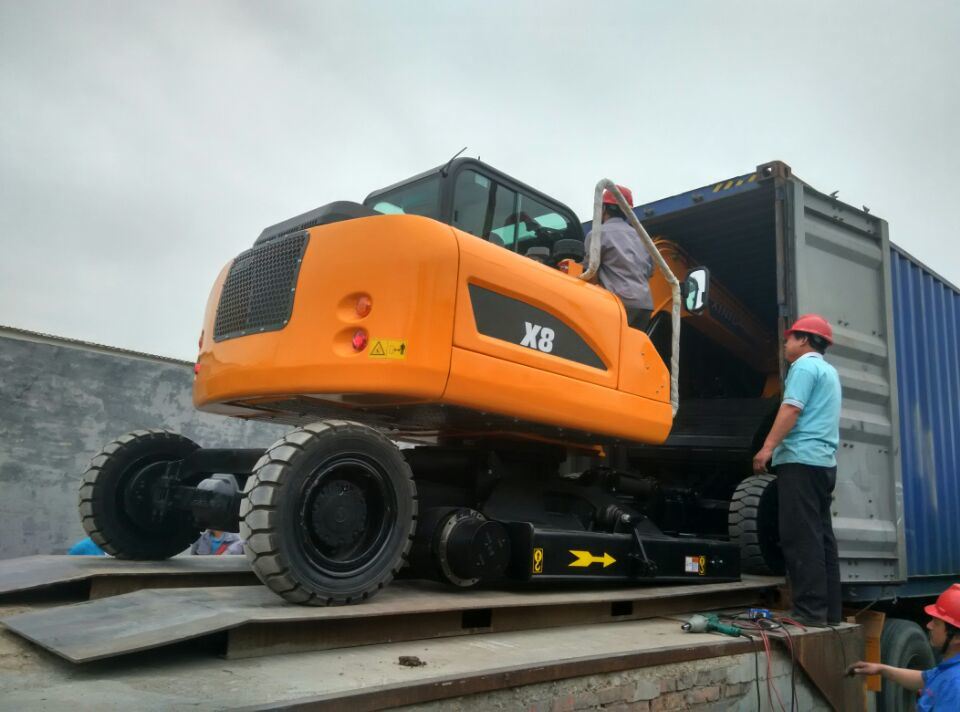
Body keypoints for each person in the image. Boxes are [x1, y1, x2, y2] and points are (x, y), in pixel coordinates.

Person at [752, 314, 841, 626]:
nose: (786, 343)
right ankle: (829, 611)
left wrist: (767, 447)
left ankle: (809, 611)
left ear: (804, 339)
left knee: (800, 536)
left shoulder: (803, 367)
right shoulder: (829, 371)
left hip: (800, 461)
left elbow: (791, 408)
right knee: (821, 537)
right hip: (823, 465)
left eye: (789, 338)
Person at [850, 584, 960, 710]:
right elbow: (924, 678)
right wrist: (881, 669)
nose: (929, 625)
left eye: (936, 623)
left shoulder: (955, 687)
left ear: (957, 637)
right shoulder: (949, 669)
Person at [583, 185, 655, 330]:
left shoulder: (598, 234)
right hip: (644, 306)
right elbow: (650, 272)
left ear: (603, 209)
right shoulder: (643, 238)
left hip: (618, 305)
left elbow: (591, 276)